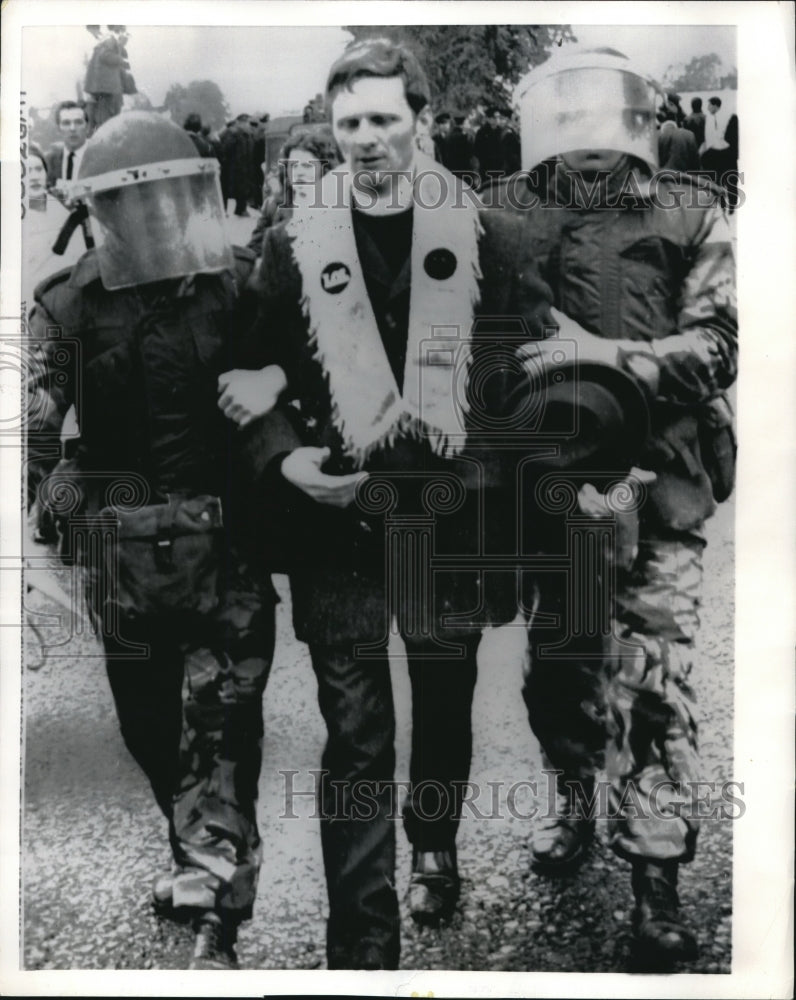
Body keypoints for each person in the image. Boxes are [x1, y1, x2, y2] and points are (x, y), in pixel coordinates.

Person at [217, 36, 553, 969]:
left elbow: (525, 384)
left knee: (443, 707)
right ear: (332, 128)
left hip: (453, 521)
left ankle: (434, 842)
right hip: (343, 524)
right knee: (355, 735)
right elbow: (242, 378)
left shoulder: (494, 235)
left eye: (383, 121)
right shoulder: (291, 246)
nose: (364, 139)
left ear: (422, 124)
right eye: (348, 122)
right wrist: (284, 460)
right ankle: (361, 946)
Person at [26, 112, 283, 971]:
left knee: (223, 721)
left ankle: (217, 909)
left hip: (228, 545)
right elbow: (37, 419)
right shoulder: (66, 303)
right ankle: (195, 855)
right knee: (147, 725)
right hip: (122, 554)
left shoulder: (238, 284)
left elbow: (289, 378)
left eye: (165, 198)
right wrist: (50, 490)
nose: (149, 218)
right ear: (100, 210)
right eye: (128, 204)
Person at [510, 46, 737, 969]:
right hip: (558, 491)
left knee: (653, 683)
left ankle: (655, 884)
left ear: (636, 120)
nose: (587, 140)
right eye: (568, 119)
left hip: (661, 483)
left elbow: (721, 345)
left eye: (603, 117)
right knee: (558, 674)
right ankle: (574, 801)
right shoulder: (519, 219)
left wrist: (603, 356)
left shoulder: (691, 211)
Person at [245, 126, 339, 259]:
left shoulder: (339, 207)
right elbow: (254, 250)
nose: (299, 172)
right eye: (294, 166)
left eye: (307, 166)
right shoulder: (273, 205)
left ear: (324, 169)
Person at [83, 25, 129, 132]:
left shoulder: (106, 40)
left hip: (106, 90)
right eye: (122, 31)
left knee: (106, 120)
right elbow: (104, 57)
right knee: (102, 122)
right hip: (103, 90)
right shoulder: (107, 41)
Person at [45, 101, 89, 189]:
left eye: (78, 122)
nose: (72, 128)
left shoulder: (99, 157)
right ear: (58, 129)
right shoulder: (49, 161)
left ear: (87, 127)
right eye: (66, 123)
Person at [220, 113, 254, 216]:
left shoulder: (247, 134)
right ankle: (224, 210)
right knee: (226, 188)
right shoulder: (232, 133)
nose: (249, 125)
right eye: (248, 123)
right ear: (240, 123)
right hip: (233, 167)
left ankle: (241, 209)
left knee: (243, 188)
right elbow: (225, 149)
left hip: (244, 166)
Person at [657, 103, 699, 172]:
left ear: (660, 120)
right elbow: (696, 165)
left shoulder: (654, 136)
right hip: (684, 179)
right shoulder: (689, 135)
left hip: (660, 179)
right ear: (675, 119)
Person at [473, 104, 507, 186]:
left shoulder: (502, 132)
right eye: (494, 117)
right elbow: (477, 150)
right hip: (486, 168)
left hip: (500, 168)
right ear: (488, 119)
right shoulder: (481, 132)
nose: (497, 120)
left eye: (499, 117)